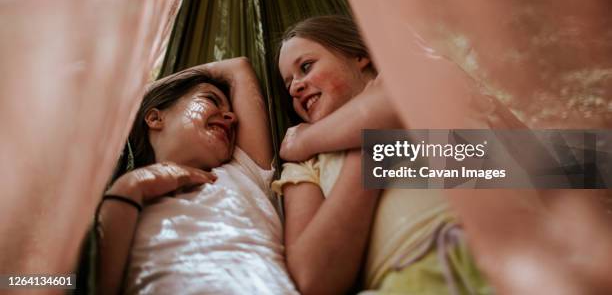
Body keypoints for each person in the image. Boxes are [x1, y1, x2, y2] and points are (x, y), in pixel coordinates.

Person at [273, 15, 491, 294]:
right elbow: (311, 278)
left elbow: (395, 105)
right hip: (406, 283)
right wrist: (366, 152)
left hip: (496, 240)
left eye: (306, 67)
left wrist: (303, 139)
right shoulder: (307, 163)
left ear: (359, 55)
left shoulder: (409, 74)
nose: (295, 87)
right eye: (288, 84)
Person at [96, 57, 298, 294]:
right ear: (154, 118)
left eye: (230, 111)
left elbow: (237, 67)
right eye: (210, 100)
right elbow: (86, 285)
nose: (231, 117)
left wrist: (137, 93)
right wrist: (131, 187)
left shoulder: (244, 171)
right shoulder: (119, 197)